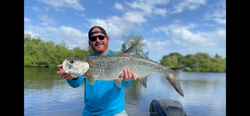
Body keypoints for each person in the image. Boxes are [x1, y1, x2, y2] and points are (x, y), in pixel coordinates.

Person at [57, 26, 137, 116]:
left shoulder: (121, 58)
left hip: (116, 112)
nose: (98, 40)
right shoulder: (85, 60)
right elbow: (75, 84)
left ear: (107, 40)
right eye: (93, 38)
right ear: (90, 43)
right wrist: (72, 77)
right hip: (89, 113)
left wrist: (127, 79)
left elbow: (126, 84)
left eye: (101, 37)